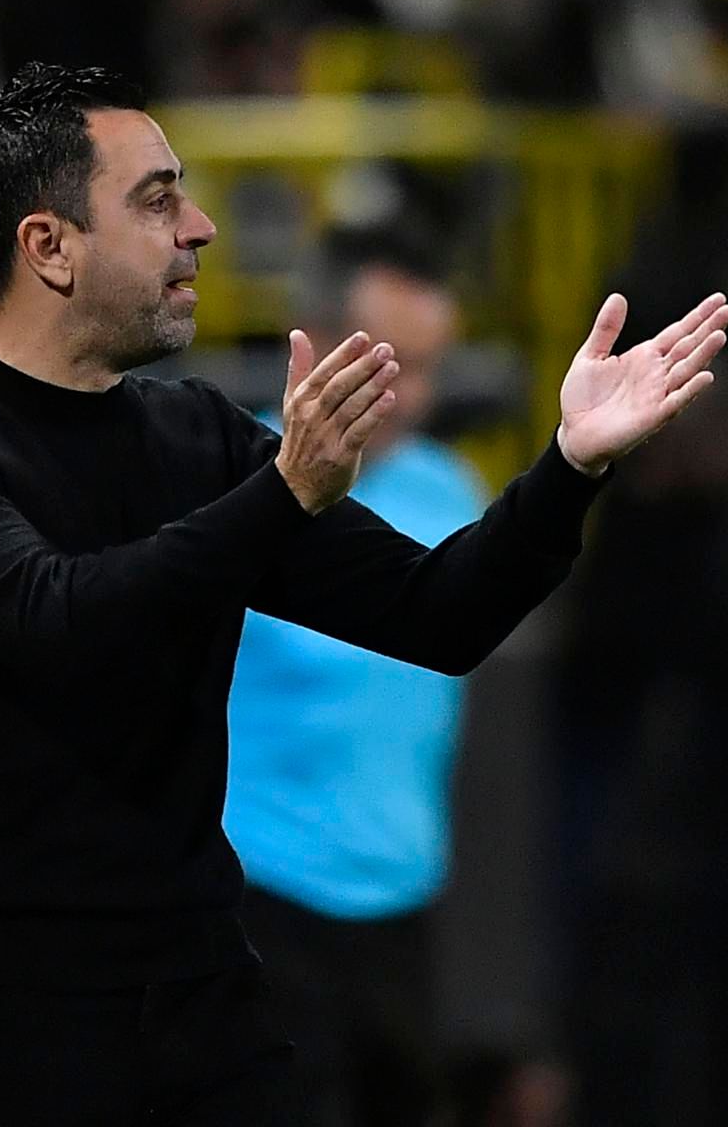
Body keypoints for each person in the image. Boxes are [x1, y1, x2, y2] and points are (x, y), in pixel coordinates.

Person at [0, 62, 728, 1125]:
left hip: (202, 1010)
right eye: (156, 200)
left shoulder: (193, 435)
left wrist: (570, 466)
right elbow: (58, 623)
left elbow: (441, 614)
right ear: (48, 246)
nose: (199, 227)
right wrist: (282, 495)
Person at [222, 231, 485, 1126]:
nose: (409, 394)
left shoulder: (453, 489)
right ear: (315, 339)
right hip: (261, 894)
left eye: (429, 368)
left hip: (403, 894)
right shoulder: (238, 478)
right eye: (389, 361)